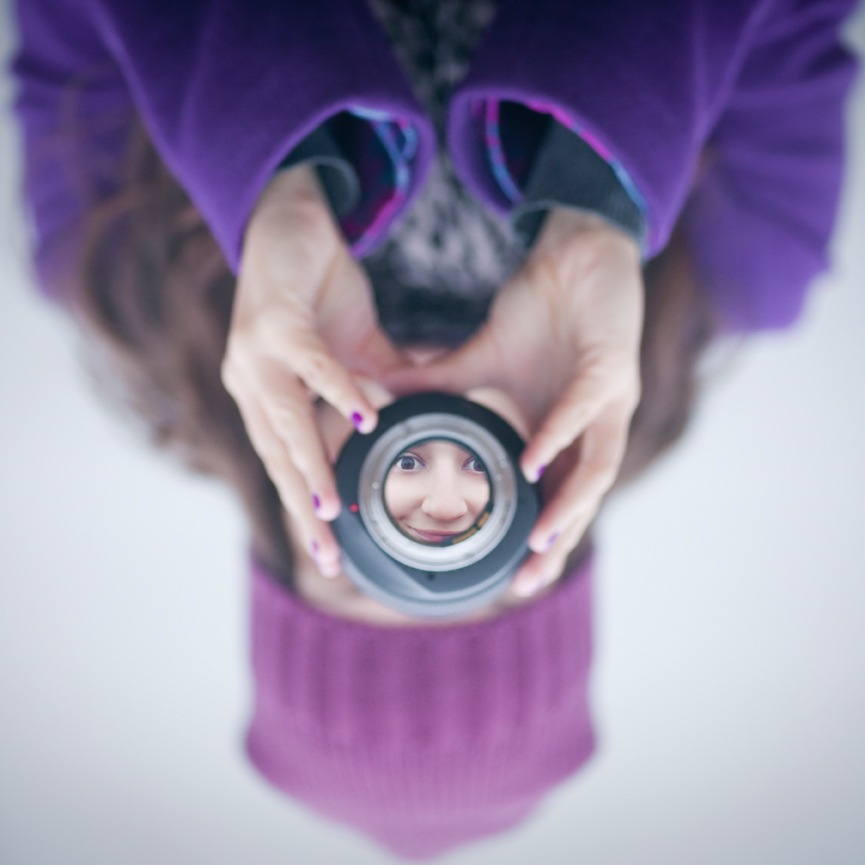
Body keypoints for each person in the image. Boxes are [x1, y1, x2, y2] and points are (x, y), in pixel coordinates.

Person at [11, 0, 857, 857]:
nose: (431, 502)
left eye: (358, 571)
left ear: (286, 530)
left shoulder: (110, 264)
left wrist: (273, 176)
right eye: (483, 569)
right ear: (558, 523)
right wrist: (600, 197)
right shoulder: (747, 249)